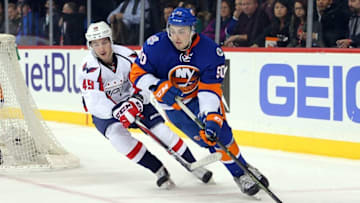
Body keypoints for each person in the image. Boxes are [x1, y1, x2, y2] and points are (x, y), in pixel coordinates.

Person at [130, 7, 269, 196]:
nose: (176, 37)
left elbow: (209, 89)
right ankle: (243, 166)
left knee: (218, 134)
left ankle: (240, 174)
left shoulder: (211, 51)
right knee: (206, 142)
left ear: (192, 30)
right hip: (172, 107)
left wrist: (211, 115)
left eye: (182, 31)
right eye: (172, 30)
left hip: (198, 98)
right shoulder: (155, 45)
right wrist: (156, 85)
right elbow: (136, 73)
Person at [78, 21, 212, 189]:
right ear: (90, 46)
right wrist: (117, 111)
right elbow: (93, 101)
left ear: (111, 40)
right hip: (108, 113)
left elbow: (145, 79)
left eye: (104, 42)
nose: (102, 48)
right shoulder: (88, 68)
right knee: (119, 139)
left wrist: (138, 99)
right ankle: (158, 170)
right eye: (96, 44)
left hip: (135, 100)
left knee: (163, 132)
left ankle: (193, 165)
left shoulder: (128, 56)